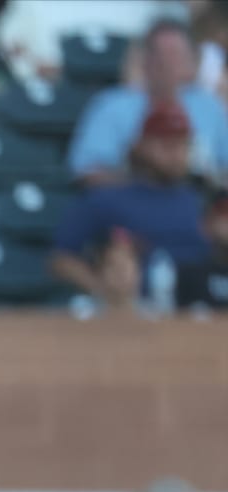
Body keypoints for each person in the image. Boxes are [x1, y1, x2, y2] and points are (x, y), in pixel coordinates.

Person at [54, 104, 212, 302]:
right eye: (167, 145)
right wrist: (102, 290)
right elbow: (61, 260)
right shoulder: (108, 198)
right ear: (142, 146)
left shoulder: (200, 200)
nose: (177, 155)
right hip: (130, 312)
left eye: (184, 145)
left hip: (198, 311)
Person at [68, 20, 228, 184]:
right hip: (131, 203)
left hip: (199, 204)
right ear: (145, 60)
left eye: (175, 55)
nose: (167, 64)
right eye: (160, 55)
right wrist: (148, 184)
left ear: (192, 62)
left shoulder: (209, 107)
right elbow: (87, 171)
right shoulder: (111, 106)